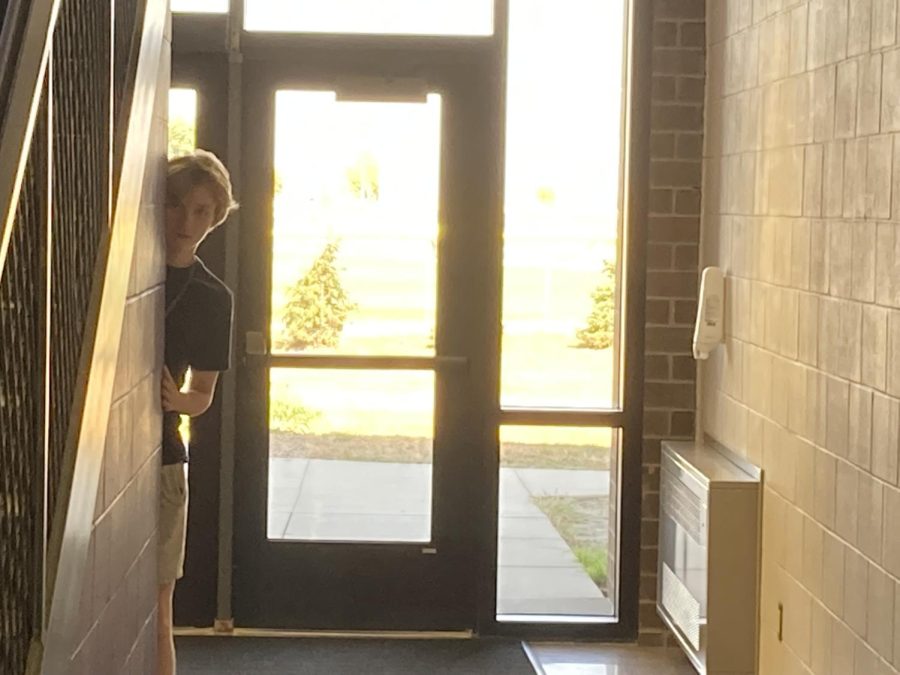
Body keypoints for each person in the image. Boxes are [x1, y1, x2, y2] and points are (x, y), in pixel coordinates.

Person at [158, 149, 237, 675]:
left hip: (163, 459)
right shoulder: (120, 271)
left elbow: (202, 394)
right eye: (177, 205)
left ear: (217, 217)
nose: (187, 222)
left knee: (156, 608)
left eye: (202, 211)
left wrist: (173, 399)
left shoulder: (213, 296)